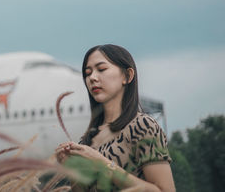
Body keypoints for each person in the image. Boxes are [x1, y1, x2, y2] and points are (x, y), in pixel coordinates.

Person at [55, 44, 175, 192]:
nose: (92, 78)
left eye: (101, 69)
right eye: (87, 73)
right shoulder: (87, 141)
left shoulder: (142, 126)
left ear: (127, 76)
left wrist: (101, 162)